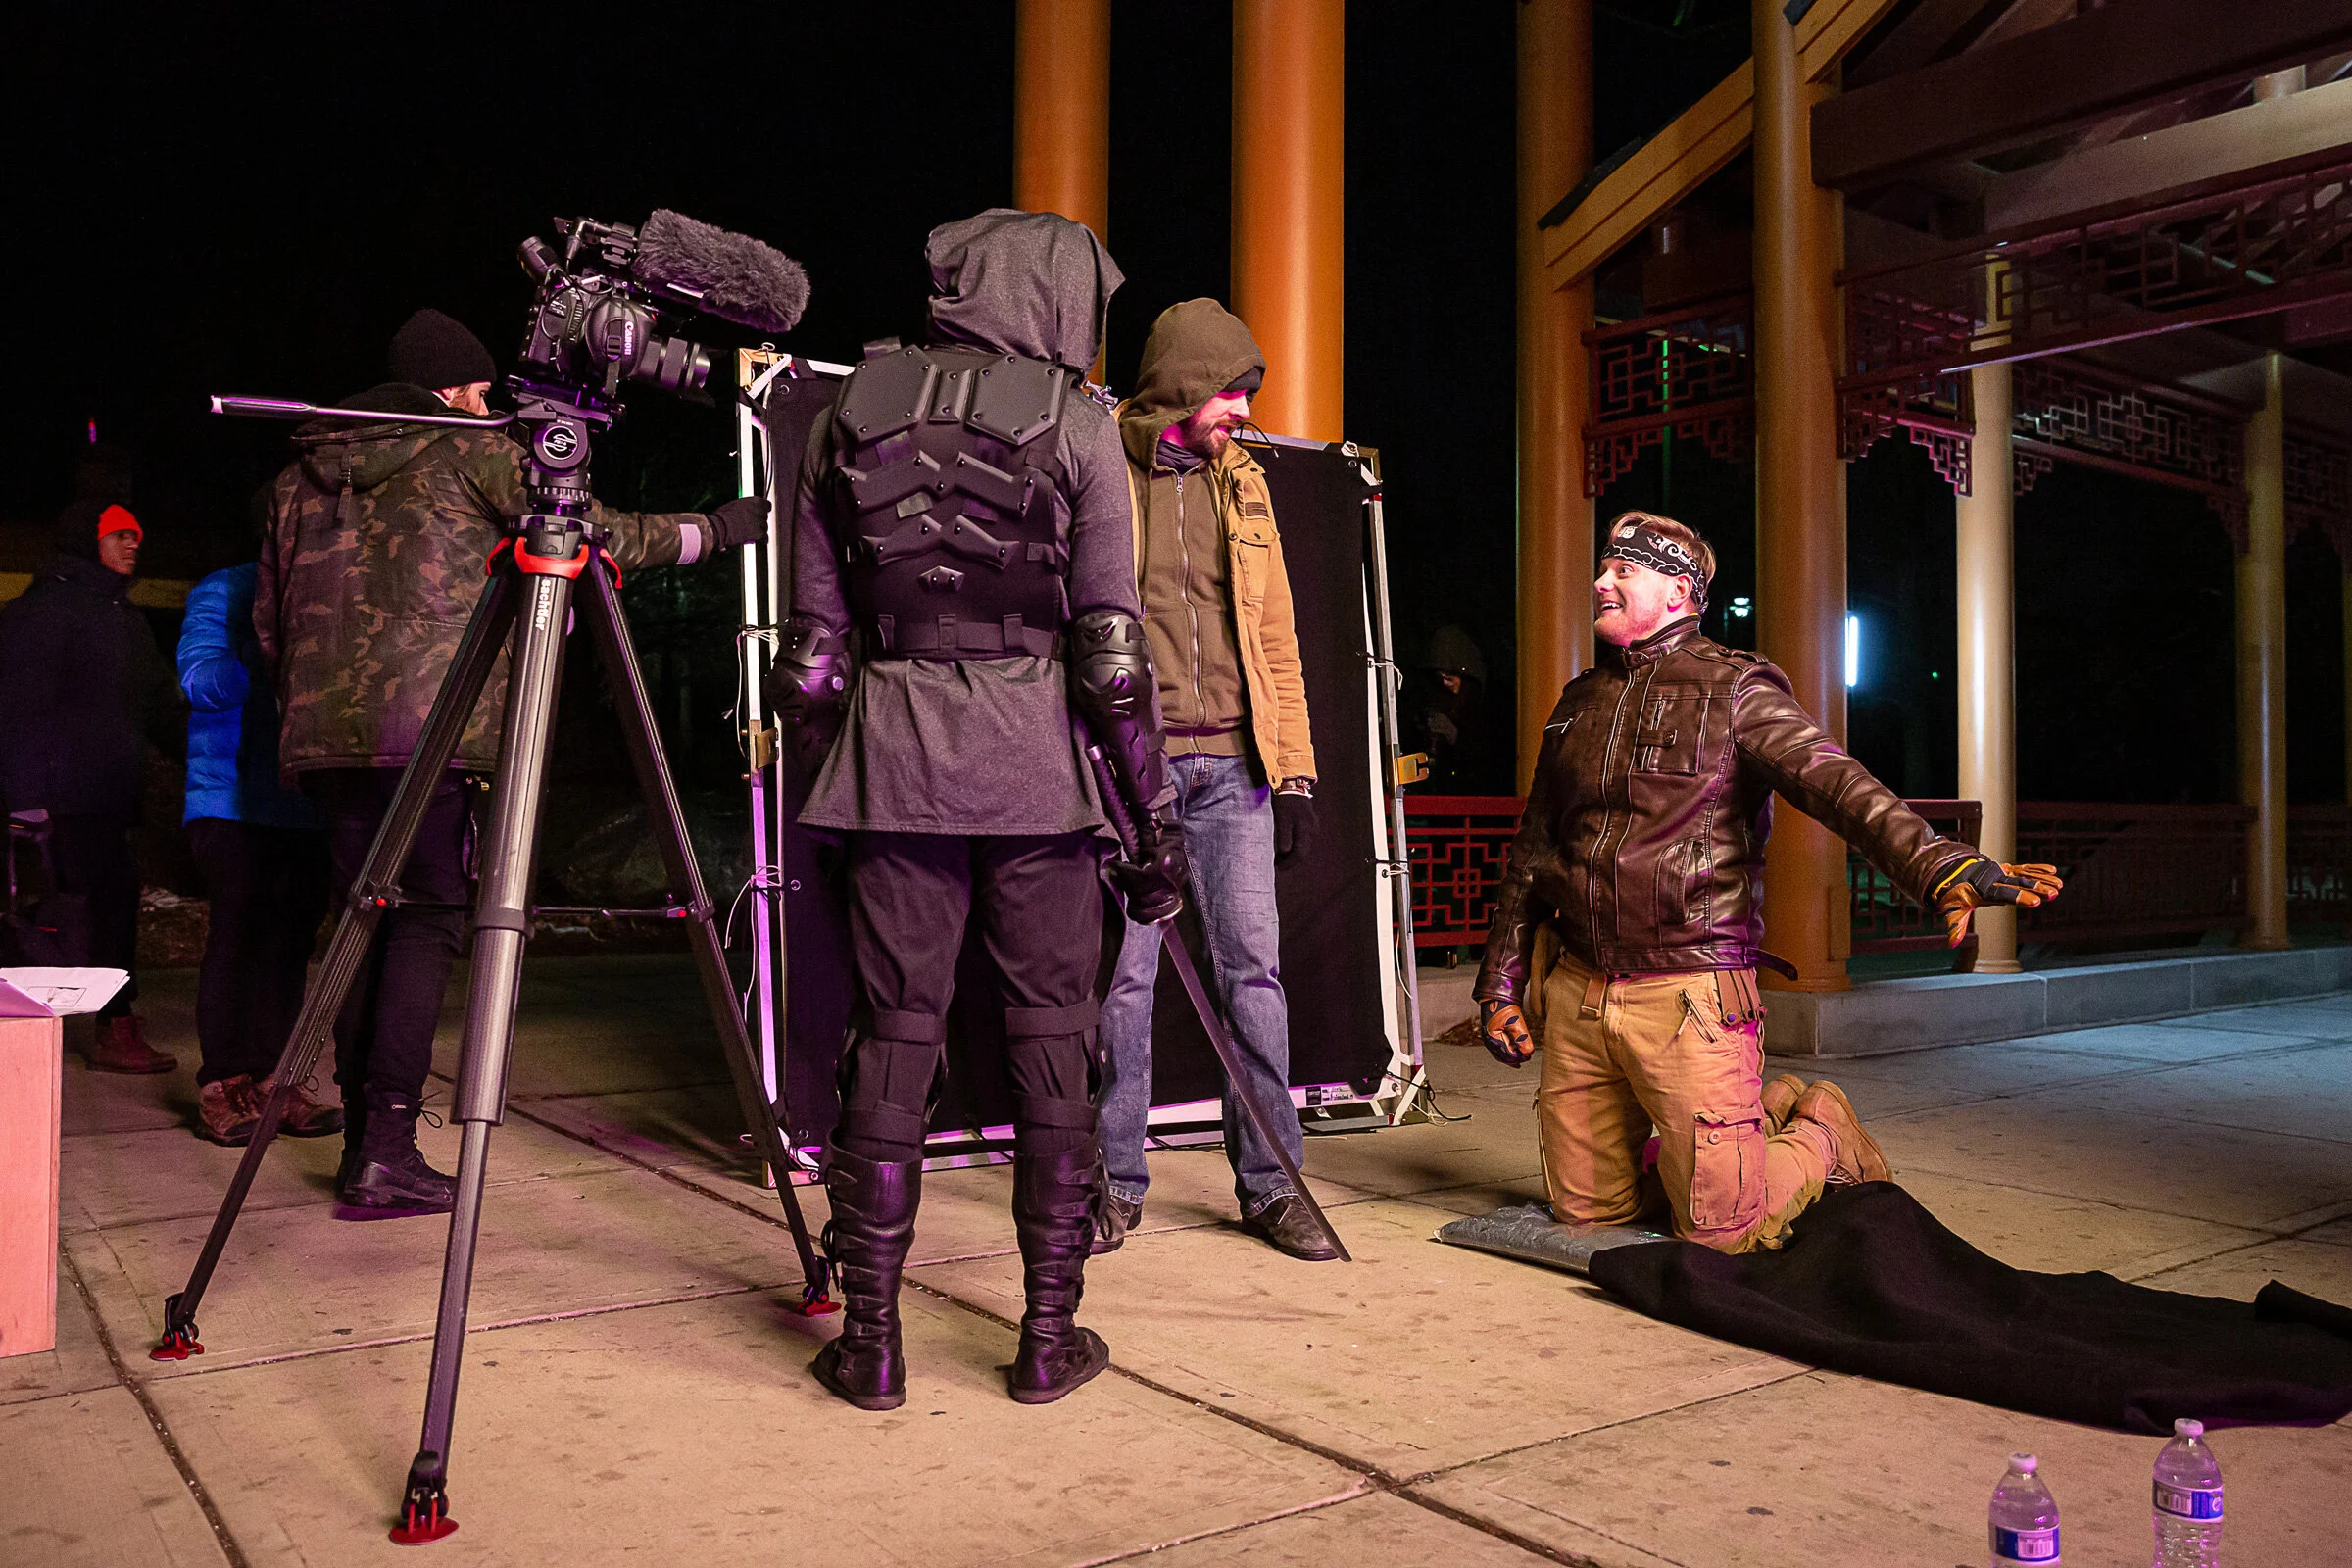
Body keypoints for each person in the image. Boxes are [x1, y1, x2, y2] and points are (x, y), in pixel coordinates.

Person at [772, 209, 1186, 1410]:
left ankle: (871, 1346)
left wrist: (841, 778)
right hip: (1035, 776)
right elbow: (1112, 658)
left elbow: (812, 660)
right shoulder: (1080, 423)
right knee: (1055, 1035)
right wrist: (1150, 821)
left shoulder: (847, 408)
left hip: (891, 765)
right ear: (1057, 293)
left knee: (893, 1036)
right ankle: (1048, 1340)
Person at [257, 307, 768, 1218]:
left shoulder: (294, 481)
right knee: (425, 921)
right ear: (450, 390)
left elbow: (268, 622)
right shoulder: (469, 451)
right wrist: (718, 531)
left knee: (362, 922)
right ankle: (384, 1149)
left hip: (324, 740)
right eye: (480, 388)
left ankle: (370, 1142)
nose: (491, 401)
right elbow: (594, 532)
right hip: (434, 734)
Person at [1475, 513, 2063, 1252]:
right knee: (1590, 1221)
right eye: (1605, 567)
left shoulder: (1735, 691)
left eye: (1624, 570)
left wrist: (1938, 862)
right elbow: (1533, 849)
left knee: (1726, 1235)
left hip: (1689, 992)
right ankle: (1754, 1123)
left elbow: (1837, 784)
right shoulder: (1578, 703)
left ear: (1680, 592)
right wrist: (1500, 981)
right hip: (1580, 989)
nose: (1602, 582)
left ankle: (1819, 1132)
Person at [1092, 299, 1329, 1261]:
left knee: (1253, 979)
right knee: (1122, 981)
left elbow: (1275, 634)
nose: (1241, 409)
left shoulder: (1245, 485)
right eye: (1229, 389)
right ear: (1184, 384)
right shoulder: (1101, 467)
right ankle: (1111, 1183)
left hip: (1235, 764)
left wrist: (1299, 774)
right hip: (1131, 768)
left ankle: (1275, 1184)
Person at [0, 498, 183, 1072]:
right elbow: (15, 708)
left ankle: (113, 1026)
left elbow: (158, 707)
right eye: (121, 534)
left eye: (137, 535)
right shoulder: (41, 613)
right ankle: (83, 1032)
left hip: (103, 797)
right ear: (89, 540)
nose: (135, 545)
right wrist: (22, 800)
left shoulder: (122, 619)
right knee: (45, 915)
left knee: (104, 909)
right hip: (51, 801)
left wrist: (204, 758)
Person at [178, 506, 335, 1146]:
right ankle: (223, 1084)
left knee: (289, 943)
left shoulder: (326, 589)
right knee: (237, 936)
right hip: (228, 800)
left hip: (302, 796)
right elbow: (198, 682)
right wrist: (264, 643)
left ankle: (276, 1078)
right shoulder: (224, 589)